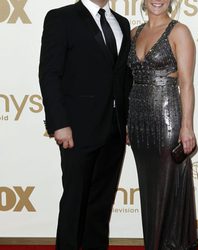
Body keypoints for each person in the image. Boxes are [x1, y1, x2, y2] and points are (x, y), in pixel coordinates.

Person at [39, 0, 132, 249]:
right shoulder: (61, 18)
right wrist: (59, 123)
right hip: (77, 129)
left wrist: (126, 121)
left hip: (114, 127)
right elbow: (49, 74)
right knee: (74, 202)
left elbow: (123, 77)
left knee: (101, 205)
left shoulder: (122, 23)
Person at [127, 0, 198, 249]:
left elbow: (186, 84)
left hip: (167, 118)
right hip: (137, 122)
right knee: (149, 188)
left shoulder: (179, 31)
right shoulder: (134, 33)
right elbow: (127, 81)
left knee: (166, 187)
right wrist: (126, 121)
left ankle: (167, 244)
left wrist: (186, 126)